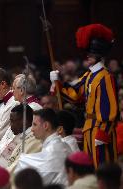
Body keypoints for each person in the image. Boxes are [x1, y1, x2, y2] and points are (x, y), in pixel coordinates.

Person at [50, 24, 118, 167]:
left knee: (102, 166)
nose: (88, 56)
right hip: (88, 127)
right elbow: (75, 95)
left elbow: (109, 109)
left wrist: (103, 132)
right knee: (91, 167)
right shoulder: (89, 75)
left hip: (99, 129)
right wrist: (58, 83)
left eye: (92, 54)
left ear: (100, 55)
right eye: (88, 53)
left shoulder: (105, 77)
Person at [15, 108, 72, 186]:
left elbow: (39, 180)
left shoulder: (54, 149)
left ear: (46, 125)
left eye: (35, 124)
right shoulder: (59, 144)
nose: (32, 129)